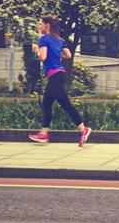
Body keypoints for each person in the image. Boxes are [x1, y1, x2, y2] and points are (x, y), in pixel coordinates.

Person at [28, 15, 92, 146]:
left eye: (41, 24)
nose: (39, 27)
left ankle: (82, 129)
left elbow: (43, 57)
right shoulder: (60, 39)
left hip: (55, 76)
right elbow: (67, 55)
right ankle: (45, 133)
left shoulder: (44, 38)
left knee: (61, 104)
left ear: (47, 26)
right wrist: (55, 54)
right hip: (59, 75)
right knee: (50, 103)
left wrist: (36, 51)